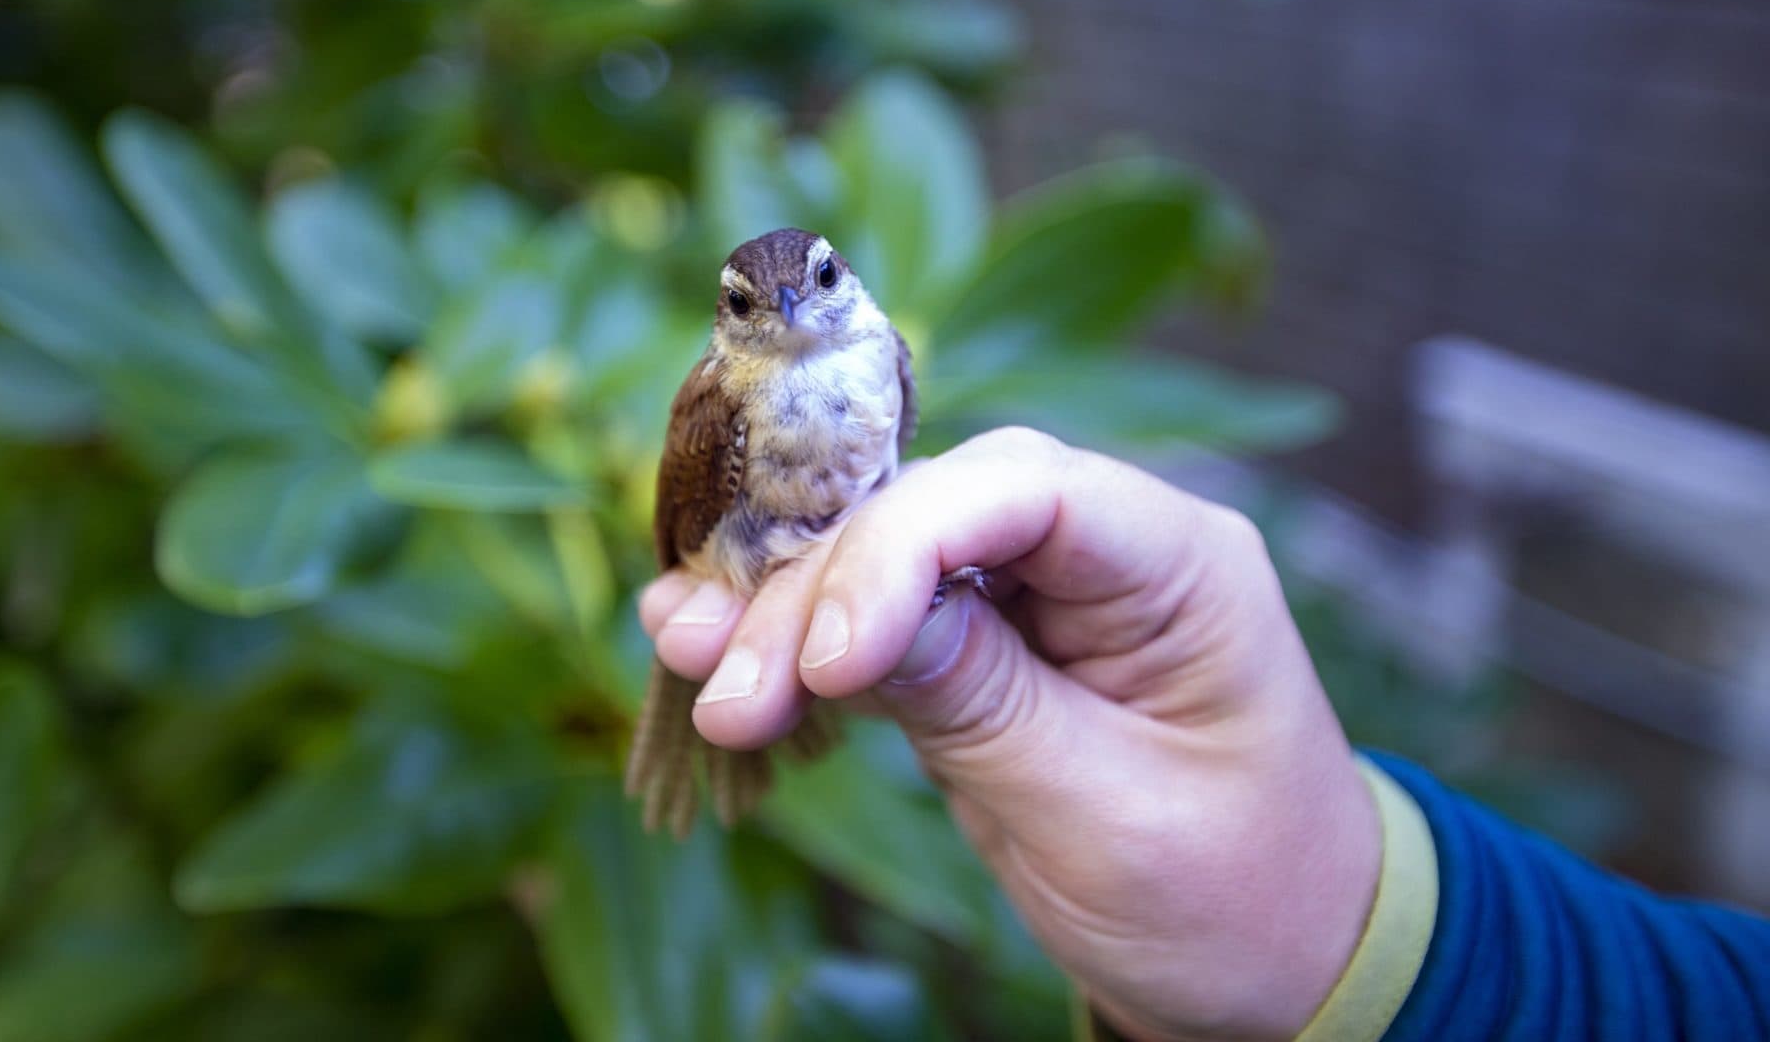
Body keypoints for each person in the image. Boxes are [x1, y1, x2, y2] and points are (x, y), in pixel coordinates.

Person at [638, 427, 1770, 1041]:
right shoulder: (726, 399)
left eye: (824, 283)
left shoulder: (873, 354)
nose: (794, 318)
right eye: (749, 307)